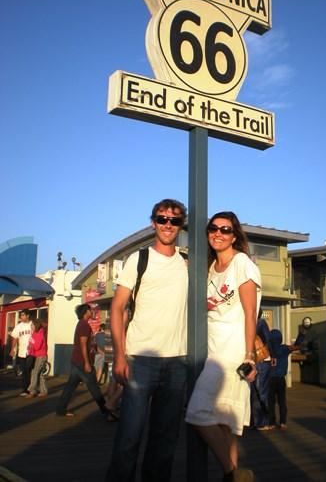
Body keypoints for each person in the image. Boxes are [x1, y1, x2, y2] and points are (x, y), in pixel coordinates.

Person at [106, 198, 188, 482]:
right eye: (162, 219)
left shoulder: (188, 263)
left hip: (178, 361)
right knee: (129, 436)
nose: (168, 225)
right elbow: (117, 308)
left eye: (175, 220)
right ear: (153, 222)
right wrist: (119, 355)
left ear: (181, 225)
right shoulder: (138, 259)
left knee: (165, 442)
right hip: (140, 359)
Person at [185, 211, 261, 482]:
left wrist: (249, 355)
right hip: (212, 349)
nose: (218, 233)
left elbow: (250, 313)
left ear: (234, 235)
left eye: (225, 229)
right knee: (223, 421)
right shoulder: (207, 269)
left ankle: (232, 472)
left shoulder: (241, 263)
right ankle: (233, 476)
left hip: (231, 353)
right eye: (213, 228)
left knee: (196, 413)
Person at [56, 303, 111, 418]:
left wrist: (101, 352)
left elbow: (91, 345)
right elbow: (82, 344)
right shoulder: (84, 325)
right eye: (90, 311)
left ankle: (61, 409)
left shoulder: (83, 325)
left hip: (77, 362)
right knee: (94, 387)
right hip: (82, 363)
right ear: (86, 312)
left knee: (70, 387)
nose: (92, 312)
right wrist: (87, 363)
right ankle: (105, 410)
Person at [266, 329, 302, 430]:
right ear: (280, 338)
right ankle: (282, 422)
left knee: (271, 401)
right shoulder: (285, 348)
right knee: (282, 401)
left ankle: (271, 423)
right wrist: (301, 335)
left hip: (271, 379)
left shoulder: (268, 349)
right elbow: (297, 346)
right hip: (281, 378)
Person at [254, 310, 272, 430]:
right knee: (262, 391)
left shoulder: (245, 322)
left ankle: (253, 421)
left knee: (253, 392)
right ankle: (263, 422)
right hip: (261, 359)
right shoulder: (260, 323)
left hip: (251, 360)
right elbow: (267, 339)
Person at [9, 309, 33, 397]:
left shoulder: (32, 325)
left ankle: (30, 389)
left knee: (29, 369)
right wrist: (12, 349)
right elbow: (15, 338)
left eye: (23, 315)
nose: (21, 317)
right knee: (25, 371)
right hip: (22, 351)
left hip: (31, 352)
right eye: (21, 315)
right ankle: (25, 389)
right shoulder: (19, 326)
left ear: (27, 316)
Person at [27, 319, 48, 398]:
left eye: (32, 325)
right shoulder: (34, 334)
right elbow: (31, 345)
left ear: (36, 325)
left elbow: (37, 346)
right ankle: (43, 391)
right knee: (39, 374)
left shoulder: (39, 334)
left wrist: (31, 344)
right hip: (35, 355)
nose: (31, 326)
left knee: (35, 372)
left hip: (41, 356)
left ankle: (32, 390)